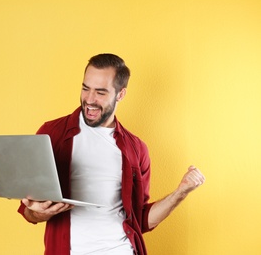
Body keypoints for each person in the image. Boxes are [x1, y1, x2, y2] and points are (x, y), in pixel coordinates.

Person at [17, 53, 205, 255]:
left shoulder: (136, 149)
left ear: (121, 94)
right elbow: (30, 212)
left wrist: (180, 193)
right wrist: (38, 212)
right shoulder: (51, 134)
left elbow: (140, 220)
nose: (89, 99)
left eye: (100, 92)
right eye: (85, 88)